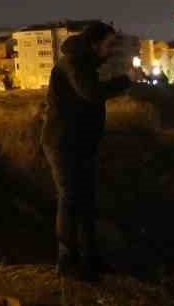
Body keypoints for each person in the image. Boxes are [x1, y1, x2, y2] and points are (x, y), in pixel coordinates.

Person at [40, 21, 132, 281]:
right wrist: (123, 82)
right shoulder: (73, 62)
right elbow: (90, 93)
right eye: (109, 44)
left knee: (86, 201)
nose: (112, 50)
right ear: (94, 43)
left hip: (80, 143)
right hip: (63, 143)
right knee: (70, 199)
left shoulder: (86, 62)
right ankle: (66, 262)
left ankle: (91, 258)